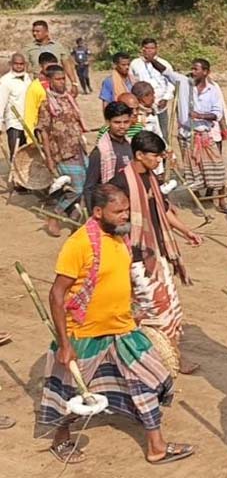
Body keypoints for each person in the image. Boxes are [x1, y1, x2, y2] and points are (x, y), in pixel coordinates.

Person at [39, 184, 193, 465]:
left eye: (127, 210)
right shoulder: (79, 244)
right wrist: (64, 344)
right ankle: (60, 439)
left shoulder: (120, 238)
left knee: (148, 380)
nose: (125, 216)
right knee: (72, 392)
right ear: (98, 212)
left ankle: (156, 446)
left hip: (122, 330)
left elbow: (119, 279)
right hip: (84, 334)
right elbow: (56, 295)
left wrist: (132, 309)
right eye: (118, 211)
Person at [110, 131, 202, 373]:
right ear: (140, 155)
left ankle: (170, 355)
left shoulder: (151, 178)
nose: (159, 159)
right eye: (156, 155)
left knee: (169, 305)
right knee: (152, 309)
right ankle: (160, 359)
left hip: (156, 252)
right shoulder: (119, 185)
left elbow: (163, 209)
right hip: (136, 258)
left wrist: (186, 231)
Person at [149, 57, 227, 215]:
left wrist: (200, 115)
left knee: (218, 169)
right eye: (192, 69)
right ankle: (197, 202)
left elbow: (217, 113)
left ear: (206, 72)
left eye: (196, 69)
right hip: (187, 135)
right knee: (192, 171)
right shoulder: (183, 82)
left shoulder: (213, 90)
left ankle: (222, 202)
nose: (193, 72)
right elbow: (166, 71)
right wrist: (151, 59)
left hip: (204, 135)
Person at [36, 64, 88, 236]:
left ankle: (75, 221)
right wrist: (49, 158)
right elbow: (43, 132)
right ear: (50, 81)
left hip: (78, 148)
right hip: (61, 152)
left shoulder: (68, 99)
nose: (62, 82)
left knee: (86, 186)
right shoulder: (46, 105)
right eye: (58, 79)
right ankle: (54, 215)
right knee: (76, 189)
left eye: (63, 79)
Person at [84, 101, 134, 206]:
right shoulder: (101, 152)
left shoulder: (131, 145)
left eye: (126, 122)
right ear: (108, 122)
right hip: (110, 205)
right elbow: (89, 188)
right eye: (117, 122)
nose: (122, 126)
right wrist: (93, 212)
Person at [130, 38, 174, 131]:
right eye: (147, 48)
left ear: (156, 49)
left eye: (152, 48)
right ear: (142, 49)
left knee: (163, 132)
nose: (149, 51)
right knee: (144, 131)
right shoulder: (135, 64)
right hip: (142, 107)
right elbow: (132, 83)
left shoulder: (164, 64)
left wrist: (165, 98)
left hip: (160, 104)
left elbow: (171, 82)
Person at [24, 20, 77, 94]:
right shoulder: (28, 48)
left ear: (46, 32)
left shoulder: (58, 46)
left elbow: (67, 65)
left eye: (38, 31)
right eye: (33, 31)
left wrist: (74, 84)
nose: (34, 33)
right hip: (39, 87)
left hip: (58, 87)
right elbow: (24, 69)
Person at [0, 52, 31, 159]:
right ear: (11, 64)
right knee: (15, 154)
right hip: (14, 123)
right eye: (16, 64)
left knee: (28, 155)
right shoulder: (5, 81)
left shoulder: (27, 78)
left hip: (28, 122)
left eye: (21, 64)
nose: (19, 66)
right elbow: (1, 103)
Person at [23, 51, 59, 140]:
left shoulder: (59, 84)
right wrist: (30, 139)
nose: (51, 69)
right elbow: (30, 115)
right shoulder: (35, 87)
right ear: (41, 66)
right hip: (44, 134)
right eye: (48, 67)